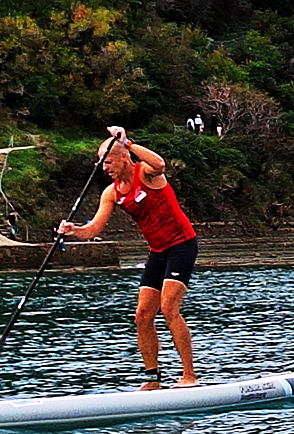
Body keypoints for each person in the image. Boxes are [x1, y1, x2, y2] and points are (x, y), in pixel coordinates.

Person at [59, 126, 200, 389]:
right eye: (101, 164)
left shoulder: (145, 173)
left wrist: (128, 142)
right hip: (158, 252)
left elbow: (160, 163)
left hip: (182, 244)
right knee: (142, 315)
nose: (104, 168)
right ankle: (153, 379)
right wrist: (73, 230)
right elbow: (94, 229)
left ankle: (189, 376)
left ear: (123, 157)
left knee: (169, 308)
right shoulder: (111, 193)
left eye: (108, 162)